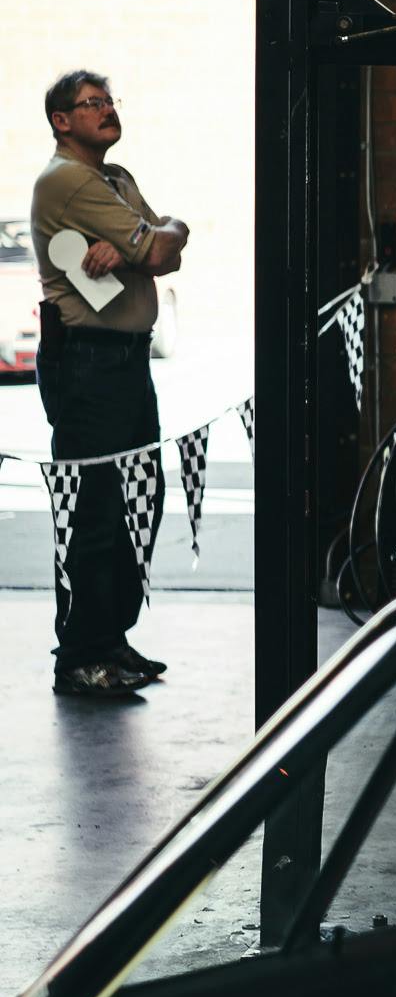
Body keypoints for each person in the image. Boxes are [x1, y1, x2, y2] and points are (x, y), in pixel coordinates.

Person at [30, 73, 190, 702]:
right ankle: (80, 657)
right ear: (61, 121)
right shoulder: (64, 181)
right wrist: (147, 243)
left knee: (134, 503)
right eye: (90, 104)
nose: (105, 110)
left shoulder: (115, 180)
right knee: (94, 510)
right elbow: (155, 250)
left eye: (109, 101)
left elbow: (168, 246)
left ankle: (111, 640)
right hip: (89, 365)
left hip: (126, 363)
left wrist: (152, 237)